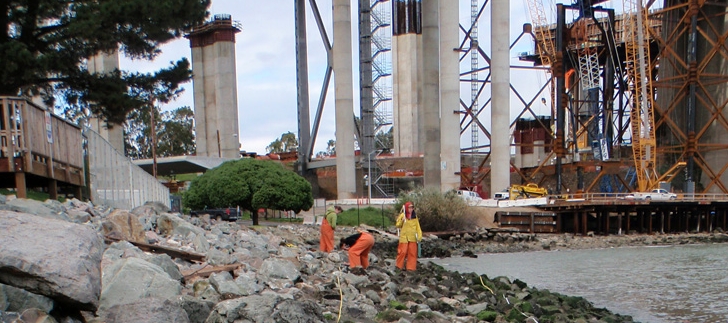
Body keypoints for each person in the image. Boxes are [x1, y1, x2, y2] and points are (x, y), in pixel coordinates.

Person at [395, 201, 422, 271]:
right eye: (410, 208)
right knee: (402, 252)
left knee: (412, 253)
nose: (411, 209)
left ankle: (411, 268)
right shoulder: (402, 215)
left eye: (412, 208)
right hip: (404, 237)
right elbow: (397, 225)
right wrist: (402, 220)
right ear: (407, 208)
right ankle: (398, 266)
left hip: (412, 238)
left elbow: (418, 227)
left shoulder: (415, 217)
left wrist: (419, 236)